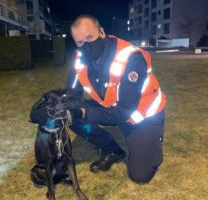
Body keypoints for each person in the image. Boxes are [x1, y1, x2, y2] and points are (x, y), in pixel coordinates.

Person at [65, 14, 166, 184]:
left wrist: (85, 113)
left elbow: (124, 112)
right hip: (112, 107)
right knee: (69, 114)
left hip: (143, 117)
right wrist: (56, 106)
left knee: (140, 175)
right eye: (81, 42)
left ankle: (153, 141)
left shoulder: (130, 58)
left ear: (102, 32)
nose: (86, 45)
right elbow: (70, 95)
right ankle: (111, 149)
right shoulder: (80, 59)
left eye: (90, 37)